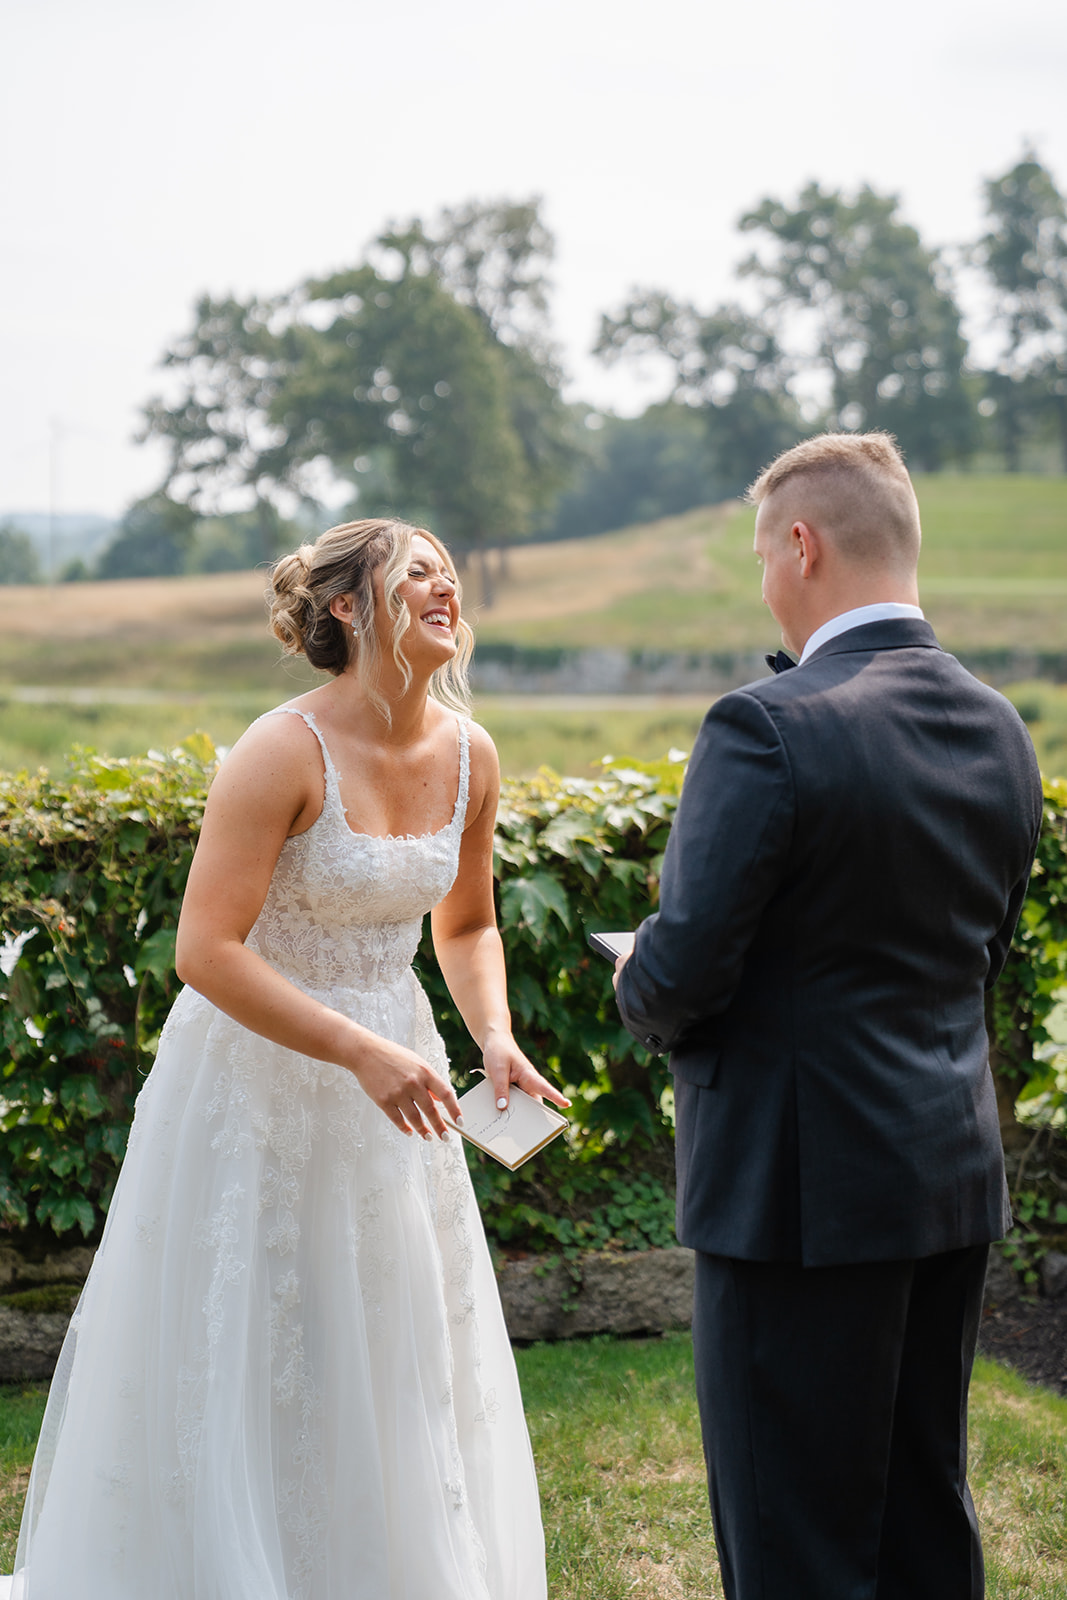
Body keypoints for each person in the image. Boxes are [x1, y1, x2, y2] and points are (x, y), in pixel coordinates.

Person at [12, 517, 566, 1600]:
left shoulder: (471, 752)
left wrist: (490, 1033)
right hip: (259, 1075)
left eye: (452, 575)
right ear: (350, 606)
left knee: (395, 1329)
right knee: (259, 1332)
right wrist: (360, 1051)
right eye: (420, 575)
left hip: (396, 1074)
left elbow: (464, 927)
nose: (446, 588)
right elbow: (204, 950)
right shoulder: (280, 748)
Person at [613, 433, 1042, 1600]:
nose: (765, 582)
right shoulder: (1003, 729)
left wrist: (632, 976)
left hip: (794, 1201)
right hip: (945, 1178)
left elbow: (685, 969)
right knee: (919, 1515)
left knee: (791, 1537)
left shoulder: (764, 727)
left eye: (763, 556)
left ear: (799, 546)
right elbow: (979, 950)